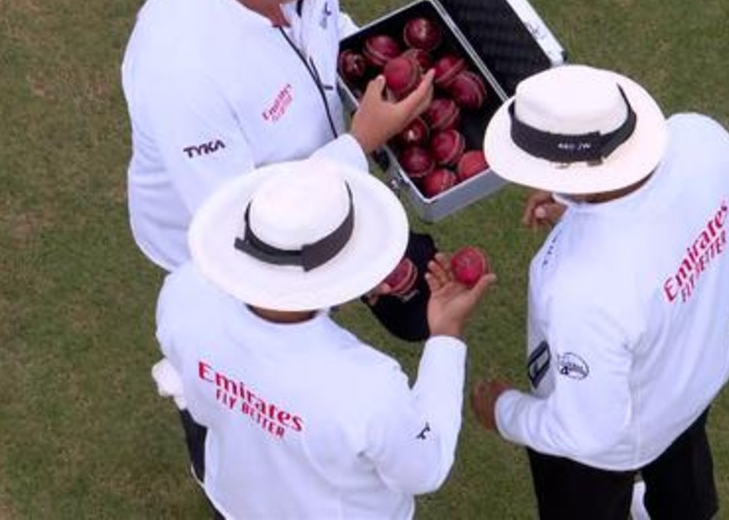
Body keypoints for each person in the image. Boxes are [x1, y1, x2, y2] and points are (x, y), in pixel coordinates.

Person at [121, 0, 437, 337]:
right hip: (235, 256)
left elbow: (321, 26)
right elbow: (240, 219)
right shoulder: (182, 74)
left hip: (319, 177)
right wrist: (361, 142)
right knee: (286, 371)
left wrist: (368, 63)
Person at [468, 64, 729, 520]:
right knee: (684, 498)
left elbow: (589, 433)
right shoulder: (701, 139)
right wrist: (580, 208)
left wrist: (503, 411)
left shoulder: (578, 288)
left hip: (610, 448)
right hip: (695, 383)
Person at [154, 157, 494, 518]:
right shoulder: (368, 386)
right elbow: (425, 471)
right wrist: (445, 338)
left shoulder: (184, 292)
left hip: (236, 501)